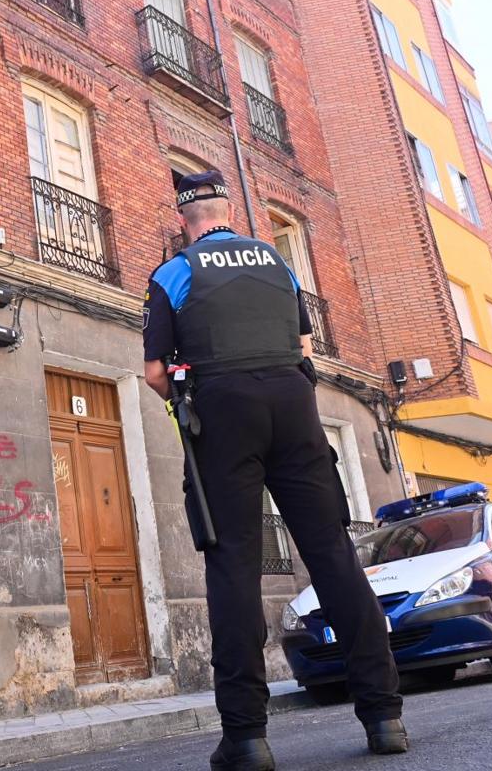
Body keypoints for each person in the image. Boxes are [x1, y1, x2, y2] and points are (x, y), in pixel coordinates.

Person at [143, 171, 406, 771]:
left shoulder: (175, 272)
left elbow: (157, 370)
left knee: (232, 564)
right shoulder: (274, 263)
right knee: (332, 554)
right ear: (228, 209)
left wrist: (184, 406)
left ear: (184, 218)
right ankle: (384, 716)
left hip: (222, 408)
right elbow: (306, 349)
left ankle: (246, 737)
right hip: (294, 406)